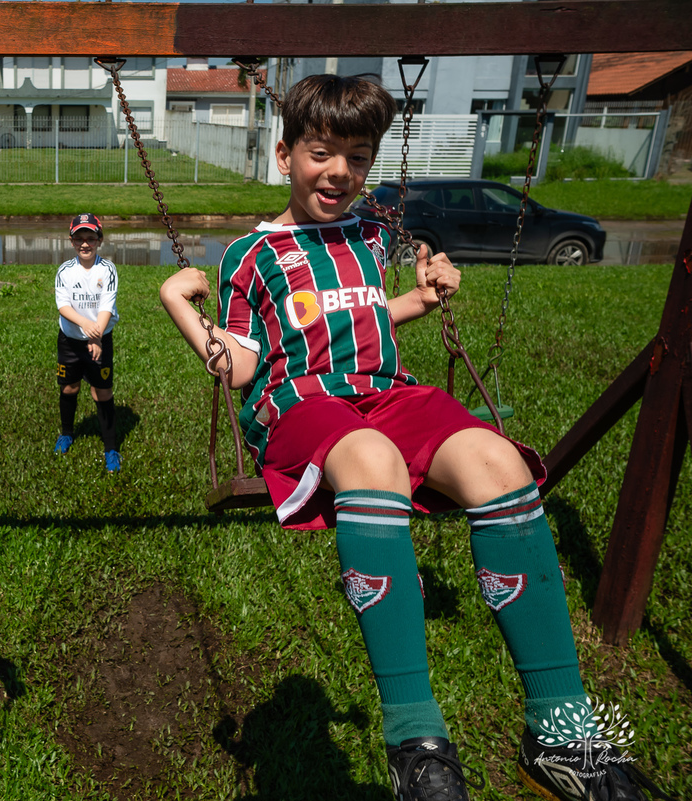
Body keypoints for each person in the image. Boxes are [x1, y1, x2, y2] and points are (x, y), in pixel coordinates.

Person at [159, 74, 670, 801]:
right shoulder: (253, 253)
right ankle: (416, 742)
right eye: (321, 153)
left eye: (358, 157)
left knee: (499, 460)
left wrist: (422, 295)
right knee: (374, 460)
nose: (339, 172)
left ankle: (560, 732)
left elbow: (358, 316)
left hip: (386, 393)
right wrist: (181, 307)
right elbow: (241, 363)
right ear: (284, 154)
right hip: (302, 406)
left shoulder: (371, 232)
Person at [54, 212, 122, 473]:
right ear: (72, 242)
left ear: (99, 240)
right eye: (79, 238)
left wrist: (97, 338)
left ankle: (111, 448)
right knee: (69, 388)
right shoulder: (65, 271)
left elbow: (106, 306)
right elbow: (63, 306)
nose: (85, 243)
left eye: (90, 238)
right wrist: (86, 328)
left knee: (101, 391)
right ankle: (67, 433)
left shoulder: (107, 269)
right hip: (70, 341)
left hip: (100, 338)